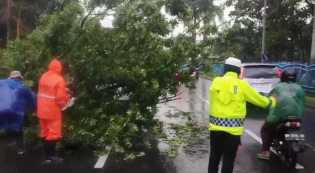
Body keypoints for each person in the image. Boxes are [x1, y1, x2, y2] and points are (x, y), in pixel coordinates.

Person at [208, 57, 276, 173]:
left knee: (214, 157)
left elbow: (223, 94)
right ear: (238, 71)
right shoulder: (242, 85)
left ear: (225, 69)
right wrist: (272, 101)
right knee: (228, 160)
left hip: (215, 129)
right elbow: (259, 100)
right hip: (233, 132)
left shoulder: (216, 82)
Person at [257, 69, 305, 160]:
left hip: (279, 117)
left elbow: (269, 101)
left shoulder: (277, 87)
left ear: (283, 77)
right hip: (297, 118)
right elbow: (303, 104)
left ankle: (265, 152)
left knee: (265, 130)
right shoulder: (300, 88)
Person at [37, 58, 74, 164]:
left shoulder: (43, 76)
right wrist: (67, 102)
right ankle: (51, 156)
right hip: (52, 111)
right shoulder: (59, 79)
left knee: (44, 132)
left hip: (41, 109)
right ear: (60, 68)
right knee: (53, 134)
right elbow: (60, 99)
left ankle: (46, 156)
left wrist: (64, 90)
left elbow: (47, 91)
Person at [0, 71, 36, 156]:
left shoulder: (2, 83)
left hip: (2, 110)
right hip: (16, 112)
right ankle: (20, 149)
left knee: (7, 123)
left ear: (11, 77)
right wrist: (33, 109)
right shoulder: (23, 87)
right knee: (18, 129)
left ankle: (11, 142)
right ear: (19, 78)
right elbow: (31, 100)